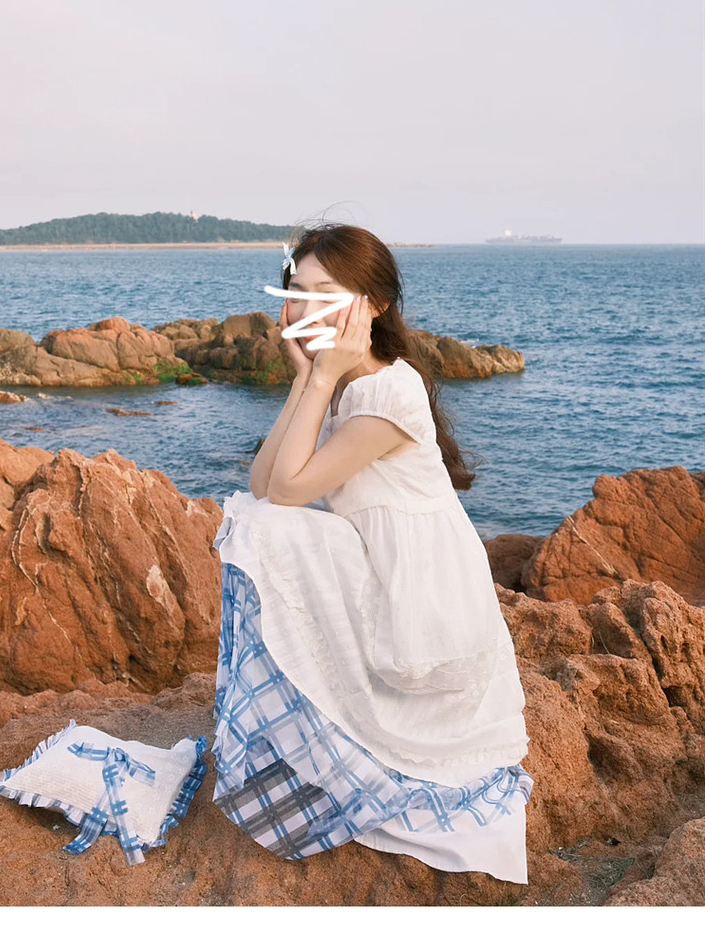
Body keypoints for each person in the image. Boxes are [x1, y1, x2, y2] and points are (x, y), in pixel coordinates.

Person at [211, 223, 533, 882]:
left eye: (326, 292)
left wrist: (321, 378)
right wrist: (307, 377)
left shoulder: (390, 390)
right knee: (253, 520)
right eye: (298, 292)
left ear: (375, 305)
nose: (306, 308)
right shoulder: (348, 386)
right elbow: (264, 484)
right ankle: (282, 733)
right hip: (383, 567)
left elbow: (289, 492)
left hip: (422, 596)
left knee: (263, 529)